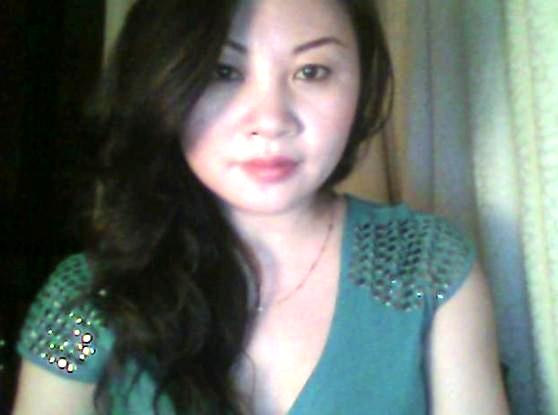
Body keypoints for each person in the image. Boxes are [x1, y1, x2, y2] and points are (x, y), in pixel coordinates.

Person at [12, 0, 510, 414]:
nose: (271, 120)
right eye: (223, 71)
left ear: (362, 82)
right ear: (163, 83)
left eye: (312, 72)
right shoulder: (89, 298)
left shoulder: (425, 266)